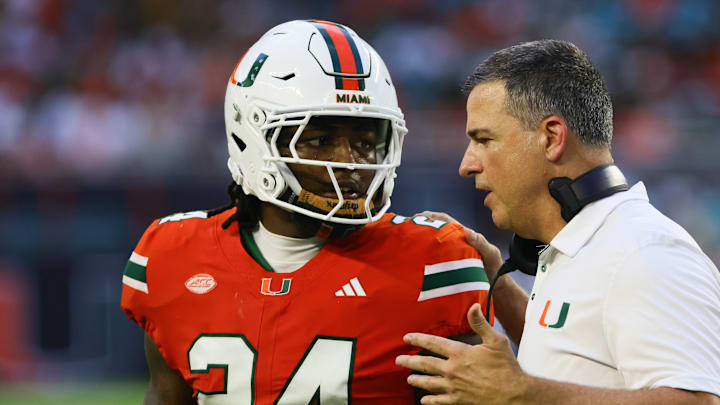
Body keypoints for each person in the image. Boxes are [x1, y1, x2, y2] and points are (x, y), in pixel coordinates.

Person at [120, 20, 491, 404]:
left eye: (365, 141)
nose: (350, 163)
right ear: (254, 139)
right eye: (320, 140)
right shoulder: (173, 254)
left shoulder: (435, 261)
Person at [395, 39, 720, 404]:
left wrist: (520, 393)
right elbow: (567, 359)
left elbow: (698, 401)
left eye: (484, 139)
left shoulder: (645, 252)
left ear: (551, 138)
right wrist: (497, 284)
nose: (467, 164)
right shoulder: (585, 244)